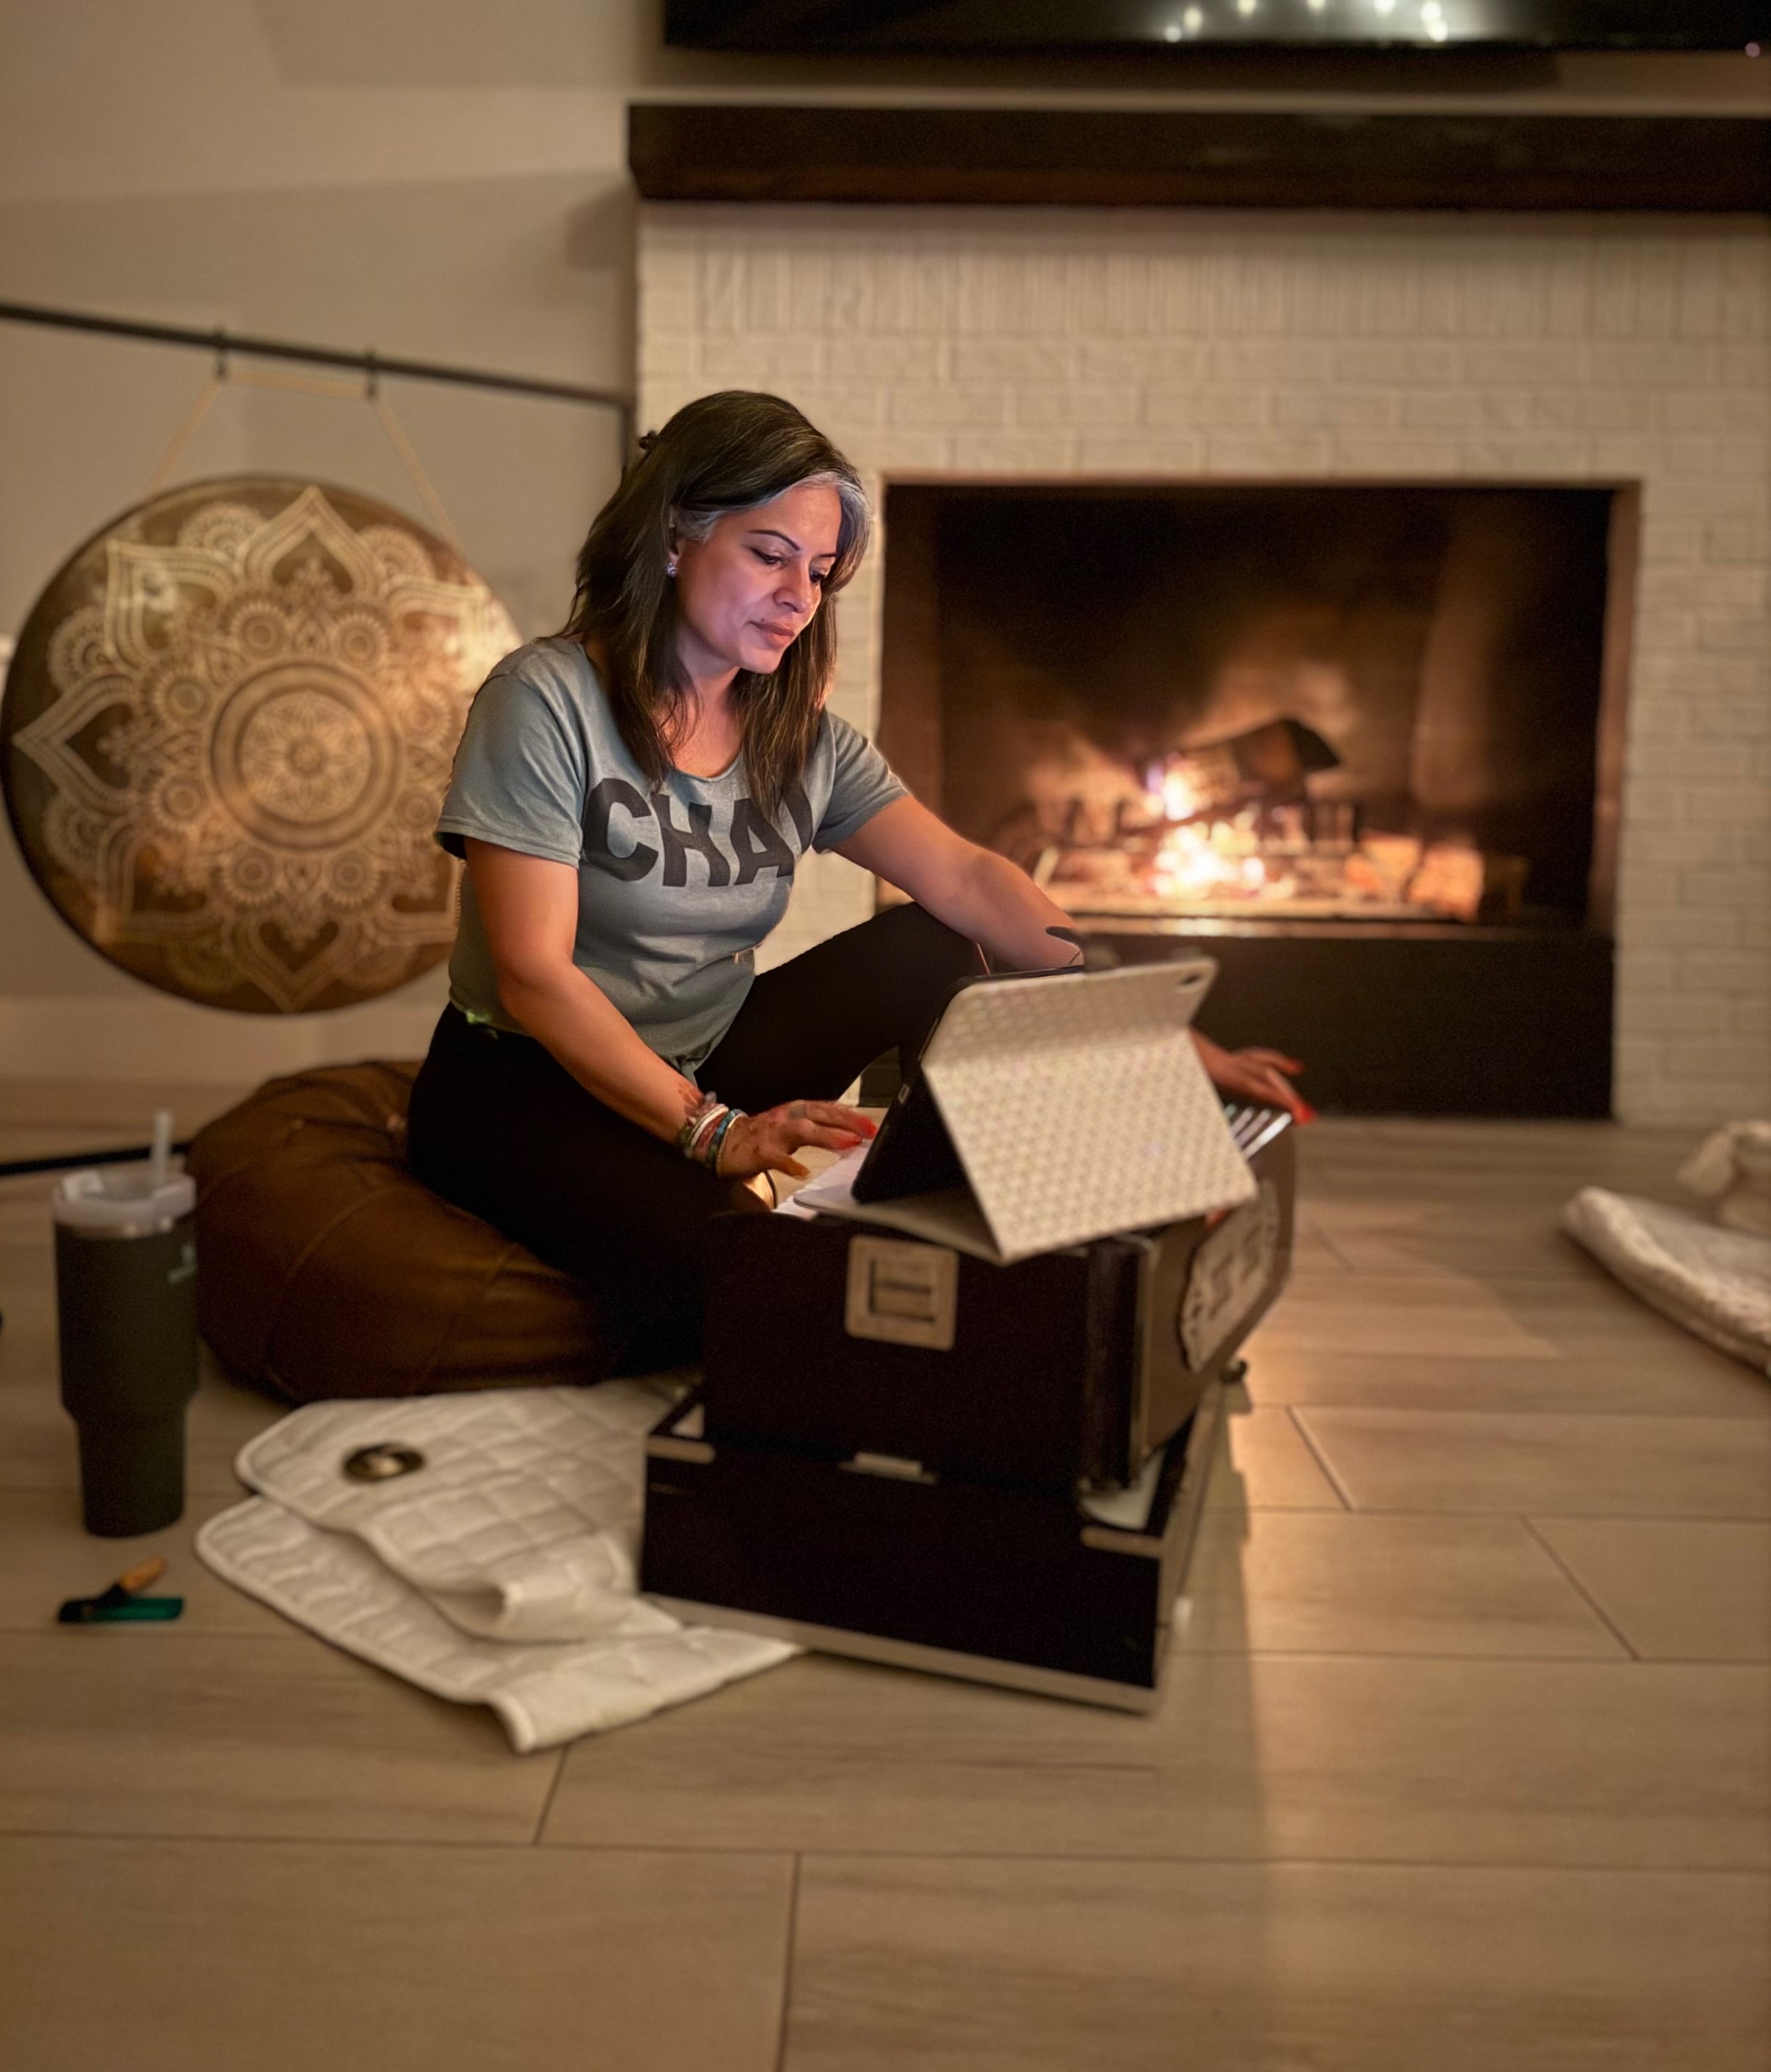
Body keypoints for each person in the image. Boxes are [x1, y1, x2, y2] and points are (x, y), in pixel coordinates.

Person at [408, 390, 1304, 1364]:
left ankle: (1085, 1208)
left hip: (704, 1054)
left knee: (926, 945)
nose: (800, 594)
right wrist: (711, 1133)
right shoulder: (543, 703)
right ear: (673, 535)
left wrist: (1145, 1025)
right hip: (523, 1090)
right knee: (740, 1279)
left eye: (822, 572)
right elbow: (535, 973)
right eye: (769, 552)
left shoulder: (801, 741)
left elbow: (966, 876)